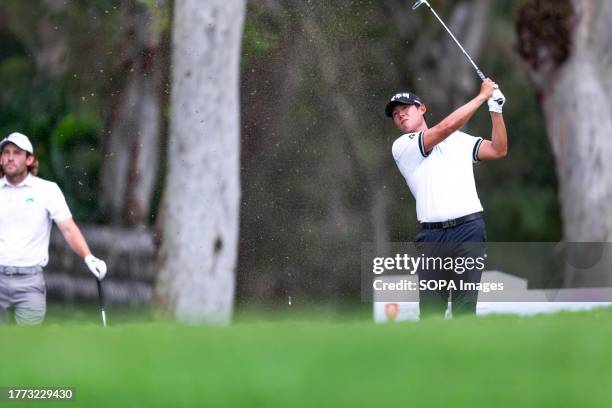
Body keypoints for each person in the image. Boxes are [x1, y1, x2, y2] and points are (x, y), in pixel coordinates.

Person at [386, 78, 507, 318]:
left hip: (469, 231)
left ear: (422, 109)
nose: (400, 115)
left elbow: (498, 149)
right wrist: (482, 97)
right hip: (432, 237)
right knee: (431, 312)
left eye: (405, 109)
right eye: (395, 114)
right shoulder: (402, 146)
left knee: (465, 309)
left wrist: (496, 110)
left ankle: (465, 355)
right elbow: (444, 129)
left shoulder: (460, 141)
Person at [0, 132, 107, 325]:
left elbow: (68, 228)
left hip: (30, 281)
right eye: (5, 152)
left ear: (29, 159)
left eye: (16, 152)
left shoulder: (47, 190)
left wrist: (88, 256)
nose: (9, 157)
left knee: (27, 343)